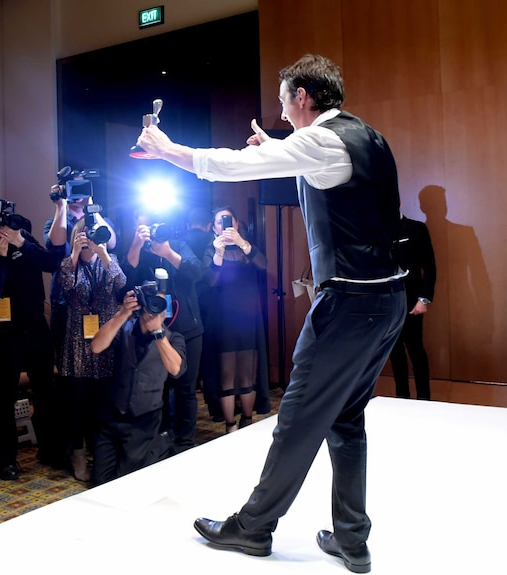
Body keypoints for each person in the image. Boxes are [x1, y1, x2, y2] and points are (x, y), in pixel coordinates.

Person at [136, 54, 406, 573]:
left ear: (302, 95)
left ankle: (253, 526)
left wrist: (166, 149)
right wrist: (278, 150)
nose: (281, 112)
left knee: (298, 416)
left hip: (349, 302)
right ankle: (352, 539)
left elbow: (230, 166)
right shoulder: (363, 135)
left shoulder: (321, 140)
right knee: (345, 419)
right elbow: (324, 174)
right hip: (385, 298)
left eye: (284, 100)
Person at [0, 201, 63, 480]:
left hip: (35, 329)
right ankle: (7, 460)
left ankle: (50, 449)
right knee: (4, 398)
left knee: (46, 392)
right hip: (4, 334)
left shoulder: (23, 239)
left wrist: (20, 242)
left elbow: (51, 263)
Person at [122, 211, 204, 452]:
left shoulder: (178, 245)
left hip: (188, 328)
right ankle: (158, 439)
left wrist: (167, 252)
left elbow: (197, 271)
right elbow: (127, 275)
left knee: (186, 388)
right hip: (154, 329)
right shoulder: (139, 250)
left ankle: (185, 441)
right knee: (159, 388)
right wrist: (137, 244)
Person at [89, 288, 186, 485]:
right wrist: (123, 313)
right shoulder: (124, 328)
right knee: (100, 483)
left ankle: (160, 446)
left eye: (159, 306)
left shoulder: (172, 337)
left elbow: (176, 369)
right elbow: (96, 346)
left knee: (129, 482)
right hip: (112, 416)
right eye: (150, 304)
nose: (154, 311)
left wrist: (157, 332)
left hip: (144, 421)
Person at [57, 218, 126, 481]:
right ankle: (77, 452)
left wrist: (102, 252)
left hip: (106, 338)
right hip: (78, 341)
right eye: (84, 233)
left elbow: (121, 282)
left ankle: (102, 450)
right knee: (78, 402)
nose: (89, 237)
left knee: (103, 400)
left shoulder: (109, 258)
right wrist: (75, 253)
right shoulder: (69, 262)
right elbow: (66, 286)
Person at [200, 206, 269, 432]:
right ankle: (230, 425)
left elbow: (263, 265)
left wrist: (241, 242)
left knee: (248, 371)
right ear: (214, 227)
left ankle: (247, 420)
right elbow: (210, 281)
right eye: (220, 222)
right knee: (227, 374)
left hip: (248, 317)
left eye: (228, 221)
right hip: (223, 319)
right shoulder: (211, 250)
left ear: (237, 223)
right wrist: (218, 253)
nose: (225, 225)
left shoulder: (245, 247)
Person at [389, 214, 436, 400]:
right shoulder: (378, 231)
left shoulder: (415, 228)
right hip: (388, 303)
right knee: (395, 352)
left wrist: (424, 299)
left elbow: (430, 266)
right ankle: (402, 399)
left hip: (411, 301)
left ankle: (424, 400)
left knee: (416, 350)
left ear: (398, 201)